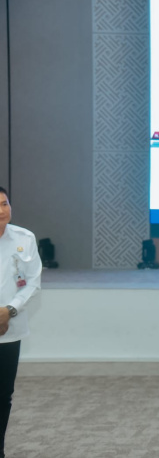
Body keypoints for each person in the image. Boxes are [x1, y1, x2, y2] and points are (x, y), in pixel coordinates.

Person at [0, 187, 41, 458]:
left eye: (4, 203)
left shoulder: (24, 238)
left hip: (10, 329)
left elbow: (33, 282)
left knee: (3, 395)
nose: (1, 210)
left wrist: (9, 310)